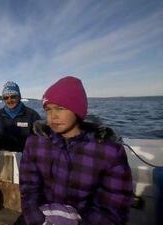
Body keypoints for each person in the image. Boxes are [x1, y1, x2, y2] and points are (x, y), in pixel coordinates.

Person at [19, 76, 133, 225]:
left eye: (60, 108)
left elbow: (114, 207)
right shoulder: (35, 143)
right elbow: (29, 190)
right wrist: (38, 220)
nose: (53, 116)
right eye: (48, 109)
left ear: (77, 110)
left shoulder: (108, 151)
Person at [0, 81, 41, 152]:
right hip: (4, 155)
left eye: (13, 97)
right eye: (6, 98)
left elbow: (41, 140)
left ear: (19, 97)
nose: (9, 100)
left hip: (26, 156)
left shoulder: (32, 116)